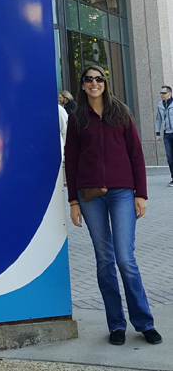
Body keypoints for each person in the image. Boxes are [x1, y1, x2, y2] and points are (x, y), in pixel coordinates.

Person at [65, 65, 162, 346]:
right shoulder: (77, 118)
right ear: (82, 86)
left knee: (125, 259)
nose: (94, 83)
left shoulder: (121, 113)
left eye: (99, 79)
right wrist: (73, 201)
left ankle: (144, 322)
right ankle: (116, 325)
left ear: (105, 83)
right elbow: (71, 161)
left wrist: (140, 194)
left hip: (121, 192)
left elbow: (136, 155)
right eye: (88, 80)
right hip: (89, 195)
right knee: (104, 261)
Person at [155, 85, 173, 187]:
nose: (161, 95)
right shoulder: (160, 105)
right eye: (161, 93)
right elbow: (158, 119)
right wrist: (157, 133)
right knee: (170, 158)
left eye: (163, 93)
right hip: (167, 134)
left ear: (169, 94)